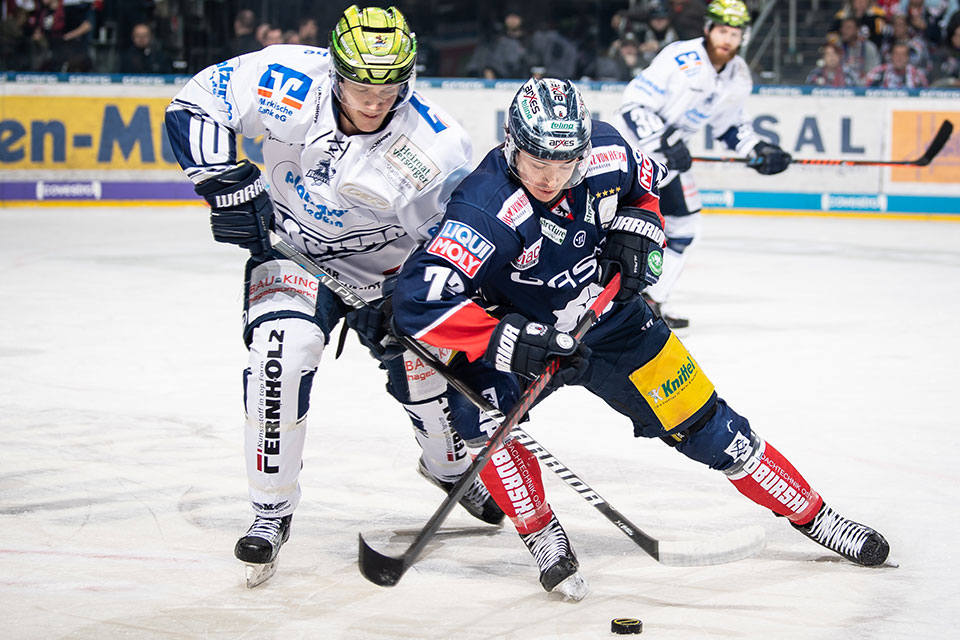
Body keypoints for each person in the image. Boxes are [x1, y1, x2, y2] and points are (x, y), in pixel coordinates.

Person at [390, 76, 890, 601]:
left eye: (565, 164)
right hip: (525, 335)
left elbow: (645, 188)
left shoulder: (607, 150)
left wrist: (641, 231)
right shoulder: (484, 207)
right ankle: (541, 535)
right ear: (512, 144)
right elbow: (418, 304)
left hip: (613, 322)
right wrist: (505, 340)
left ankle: (816, 515)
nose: (551, 176)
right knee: (483, 422)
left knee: (709, 426)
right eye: (538, 162)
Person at [164, 5, 503, 584]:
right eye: (359, 86)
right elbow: (195, 104)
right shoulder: (285, 80)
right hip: (292, 247)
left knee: (427, 371)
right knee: (279, 353)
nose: (373, 102)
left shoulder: (436, 145)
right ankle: (270, 512)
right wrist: (227, 186)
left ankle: (448, 466)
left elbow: (453, 239)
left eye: (389, 87)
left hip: (392, 269)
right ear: (333, 70)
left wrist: (420, 299)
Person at [612, 0, 791, 329]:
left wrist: (758, 149)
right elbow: (633, 105)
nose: (727, 39)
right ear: (708, 29)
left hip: (667, 163)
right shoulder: (680, 58)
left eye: (734, 34)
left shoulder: (738, 76)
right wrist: (663, 140)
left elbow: (730, 126)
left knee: (684, 228)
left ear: (744, 37)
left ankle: (652, 303)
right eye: (722, 30)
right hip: (630, 155)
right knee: (616, 229)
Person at [865, 40, 931, 85]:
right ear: (891, 56)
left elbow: (924, 96)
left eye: (903, 55)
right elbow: (864, 92)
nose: (899, 58)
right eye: (896, 54)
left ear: (908, 57)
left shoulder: (917, 75)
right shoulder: (878, 72)